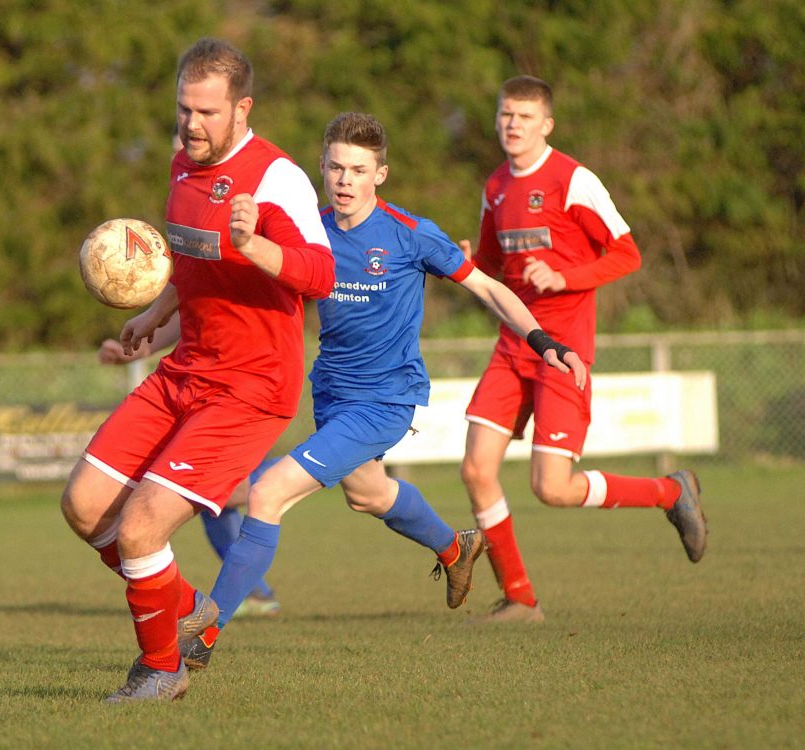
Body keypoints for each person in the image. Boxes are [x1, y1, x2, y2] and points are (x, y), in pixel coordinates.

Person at [176, 112, 588, 670]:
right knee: (368, 494)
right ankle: (455, 546)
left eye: (359, 169)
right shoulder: (307, 232)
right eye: (337, 167)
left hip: (387, 401)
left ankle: (204, 634)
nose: (345, 179)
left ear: (381, 174)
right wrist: (160, 325)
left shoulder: (410, 233)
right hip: (332, 396)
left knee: (269, 492)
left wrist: (544, 341)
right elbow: (236, 296)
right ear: (322, 168)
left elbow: (489, 289)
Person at [60, 37, 334, 703]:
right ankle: (187, 605)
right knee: (84, 506)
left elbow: (321, 275)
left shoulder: (277, 178)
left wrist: (256, 244)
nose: (191, 124)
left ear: (242, 109)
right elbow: (192, 262)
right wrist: (155, 314)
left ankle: (162, 671)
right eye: (184, 108)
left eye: (207, 112)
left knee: (141, 525)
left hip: (249, 387)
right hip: (185, 369)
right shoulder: (183, 167)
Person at [457, 75, 708, 624]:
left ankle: (669, 491)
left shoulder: (574, 180)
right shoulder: (496, 185)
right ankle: (520, 599)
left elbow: (627, 254)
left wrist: (565, 277)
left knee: (554, 489)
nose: (513, 124)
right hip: (513, 346)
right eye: (506, 114)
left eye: (525, 116)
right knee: (476, 469)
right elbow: (497, 271)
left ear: (546, 124)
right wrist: (471, 264)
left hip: (564, 351)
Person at [98, 314, 281, 619]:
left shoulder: (260, 270)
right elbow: (193, 305)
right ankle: (255, 592)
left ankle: (323, 466)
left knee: (229, 491)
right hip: (209, 392)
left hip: (250, 389)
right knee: (211, 502)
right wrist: (142, 347)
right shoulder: (201, 273)